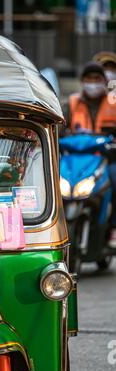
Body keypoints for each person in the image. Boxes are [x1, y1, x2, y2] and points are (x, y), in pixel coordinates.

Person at [65, 61, 116, 247]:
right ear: (82, 81)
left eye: (97, 79)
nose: (92, 83)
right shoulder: (71, 103)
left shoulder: (114, 102)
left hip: (106, 158)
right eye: (89, 79)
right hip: (75, 159)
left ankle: (113, 228)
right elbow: (58, 127)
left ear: (104, 81)